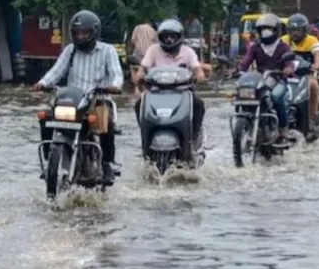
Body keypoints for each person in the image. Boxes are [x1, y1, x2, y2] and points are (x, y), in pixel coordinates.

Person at [32, 10, 123, 185]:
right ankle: (49, 158)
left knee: (107, 123)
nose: (80, 37)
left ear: (94, 32)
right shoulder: (70, 50)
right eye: (77, 33)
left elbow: (116, 74)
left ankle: (107, 164)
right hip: (71, 100)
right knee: (45, 117)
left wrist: (114, 86)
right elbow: (56, 71)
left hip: (98, 99)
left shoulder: (107, 51)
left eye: (85, 33)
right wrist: (42, 83)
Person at [135, 18, 207, 143]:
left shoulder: (188, 52)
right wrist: (140, 76)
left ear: (179, 37)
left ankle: (194, 136)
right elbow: (143, 68)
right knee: (138, 105)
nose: (169, 40)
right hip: (156, 92)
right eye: (165, 37)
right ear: (160, 38)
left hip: (183, 92)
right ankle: (146, 135)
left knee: (198, 104)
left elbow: (197, 69)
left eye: (172, 37)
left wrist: (200, 76)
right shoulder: (153, 50)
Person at [237, 13, 297, 143]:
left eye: (268, 29)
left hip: (279, 80)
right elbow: (246, 62)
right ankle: (247, 125)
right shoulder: (255, 47)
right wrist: (238, 70)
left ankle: (282, 129)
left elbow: (289, 62)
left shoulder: (283, 46)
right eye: (263, 29)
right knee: (243, 96)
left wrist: (288, 69)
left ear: (276, 30)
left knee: (276, 97)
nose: (265, 32)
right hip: (260, 80)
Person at [280, 13, 319, 141]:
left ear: (305, 30)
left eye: (298, 30)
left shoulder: (312, 40)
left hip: (307, 73)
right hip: (288, 74)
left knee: (313, 86)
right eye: (292, 30)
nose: (295, 33)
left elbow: (317, 55)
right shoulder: (283, 40)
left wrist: (317, 64)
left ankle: (311, 117)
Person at [128, 21, 158, 95]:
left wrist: (130, 53)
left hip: (137, 56)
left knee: (135, 74)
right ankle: (146, 92)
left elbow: (132, 41)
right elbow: (156, 44)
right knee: (147, 76)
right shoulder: (153, 31)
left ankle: (136, 89)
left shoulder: (137, 28)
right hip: (149, 56)